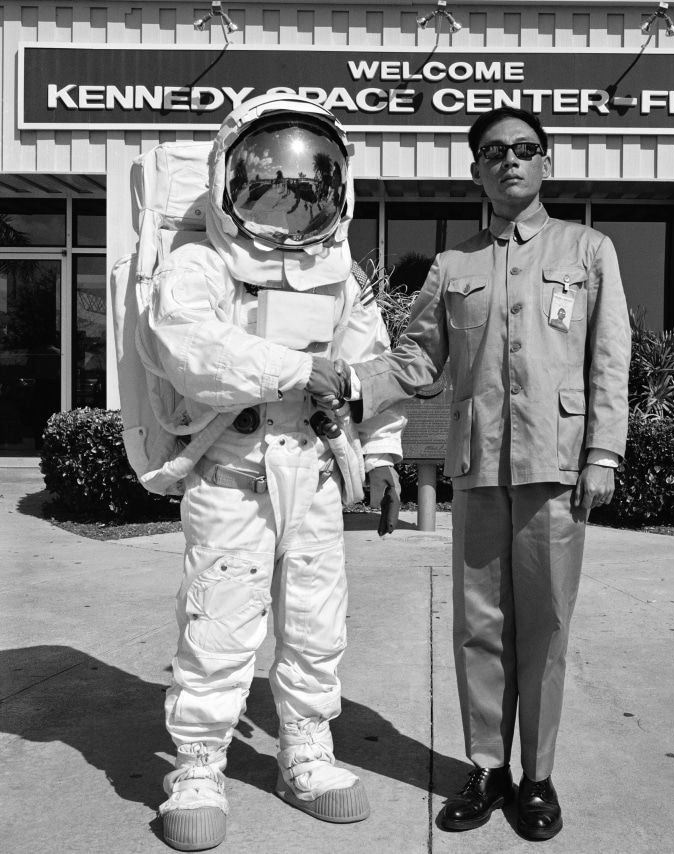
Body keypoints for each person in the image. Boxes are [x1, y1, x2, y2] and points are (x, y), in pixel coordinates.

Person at [314, 106, 630, 841]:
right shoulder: (453, 268)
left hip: (557, 469)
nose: (510, 161)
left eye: (525, 149)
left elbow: (609, 360)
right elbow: (419, 361)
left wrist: (604, 454)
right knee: (479, 628)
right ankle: (488, 768)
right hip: (481, 467)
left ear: (546, 161)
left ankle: (539, 777)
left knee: (546, 627)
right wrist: (352, 382)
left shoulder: (589, 251)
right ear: (475, 170)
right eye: (494, 152)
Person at [146, 94, 403, 851]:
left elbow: (371, 363)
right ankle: (196, 767)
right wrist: (299, 370)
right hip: (235, 471)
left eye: (311, 181)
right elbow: (188, 350)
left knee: (316, 628)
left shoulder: (337, 272)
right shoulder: (199, 262)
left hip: (317, 472)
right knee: (221, 624)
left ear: (336, 187)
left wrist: (383, 453)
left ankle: (307, 753)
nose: (292, 197)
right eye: (270, 180)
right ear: (233, 175)